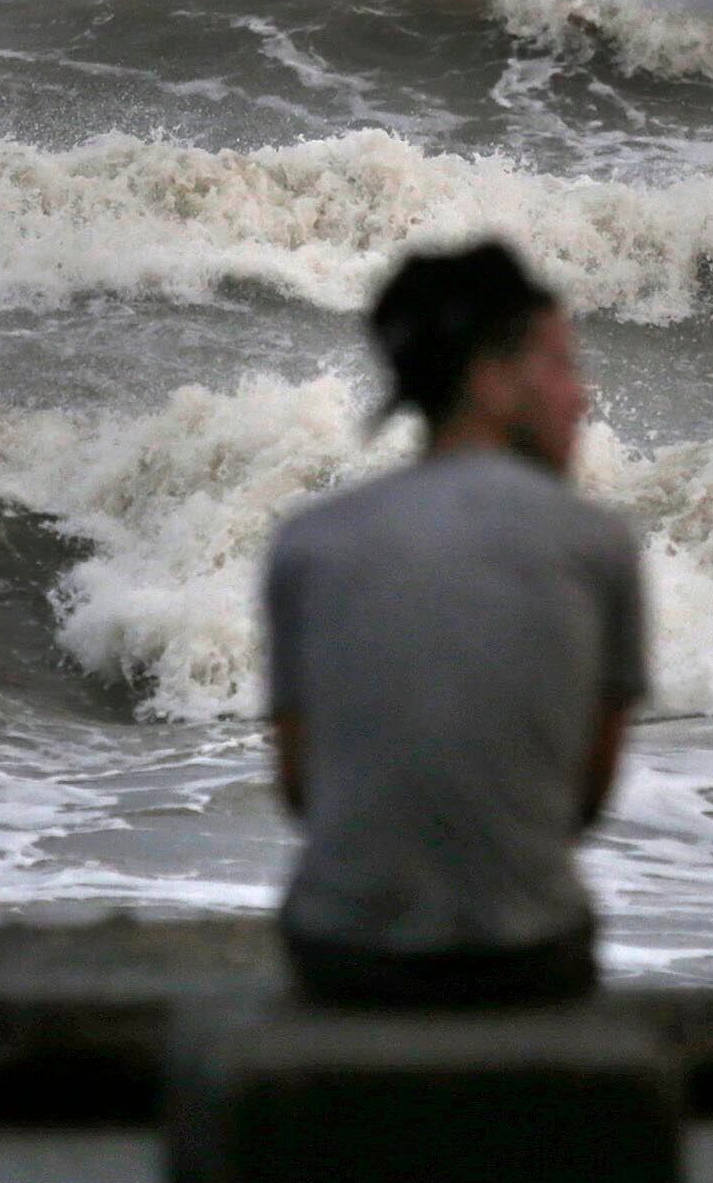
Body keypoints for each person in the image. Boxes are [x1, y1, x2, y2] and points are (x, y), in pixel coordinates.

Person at [262, 237, 647, 1010]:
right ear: (490, 378)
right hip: (522, 959)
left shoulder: (308, 542)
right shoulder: (596, 545)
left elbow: (303, 791)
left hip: (343, 953)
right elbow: (583, 800)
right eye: (561, 365)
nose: (581, 396)